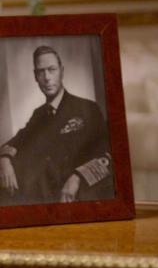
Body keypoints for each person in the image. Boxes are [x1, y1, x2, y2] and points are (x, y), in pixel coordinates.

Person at [0, 45, 114, 205]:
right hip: (40, 199)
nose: (47, 77)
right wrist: (4, 160)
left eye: (52, 69)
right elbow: (15, 141)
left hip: (76, 198)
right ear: (35, 76)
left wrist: (77, 178)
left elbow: (107, 153)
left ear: (62, 71)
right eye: (41, 71)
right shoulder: (38, 114)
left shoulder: (87, 108)